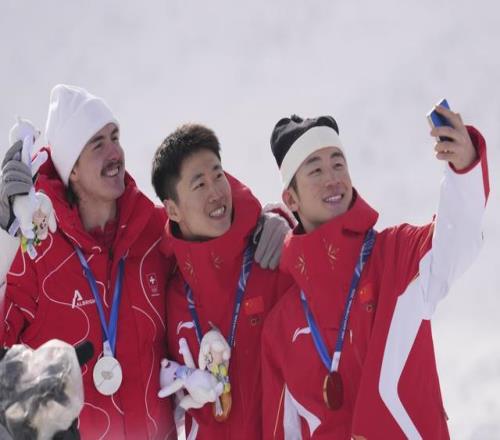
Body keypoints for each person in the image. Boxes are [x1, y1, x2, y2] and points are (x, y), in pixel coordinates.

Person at [0, 85, 287, 439]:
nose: (115, 152)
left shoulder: (151, 231)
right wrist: (4, 238)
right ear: (72, 169)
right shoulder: (38, 248)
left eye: (115, 137)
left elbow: (213, 230)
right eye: (97, 144)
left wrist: (270, 220)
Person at [261, 109, 489, 439]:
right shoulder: (281, 326)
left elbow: (457, 241)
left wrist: (464, 170)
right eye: (316, 170)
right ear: (290, 198)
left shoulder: (397, 256)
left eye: (338, 164)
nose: (332, 178)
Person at [151, 123, 294, 439]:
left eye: (218, 175)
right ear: (172, 209)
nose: (216, 193)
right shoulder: (171, 291)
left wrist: (293, 227)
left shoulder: (269, 257)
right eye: (200, 184)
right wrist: (181, 378)